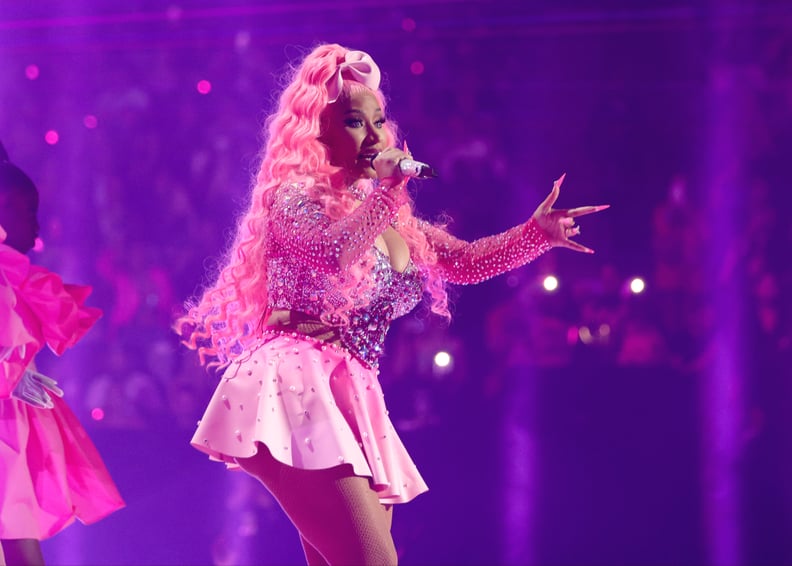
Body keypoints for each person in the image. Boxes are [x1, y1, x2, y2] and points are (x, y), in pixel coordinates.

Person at [179, 43, 608, 565]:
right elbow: (332, 254)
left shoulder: (387, 218)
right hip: (293, 385)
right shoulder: (293, 197)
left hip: (352, 393)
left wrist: (535, 235)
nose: (375, 134)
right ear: (319, 131)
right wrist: (386, 194)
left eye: (378, 120)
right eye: (356, 122)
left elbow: (465, 261)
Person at [0, 142, 125, 566]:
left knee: (16, 531)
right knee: (16, 534)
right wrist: (10, 372)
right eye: (27, 213)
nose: (37, 229)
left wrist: (16, 369)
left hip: (14, 420)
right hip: (8, 424)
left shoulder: (18, 278)